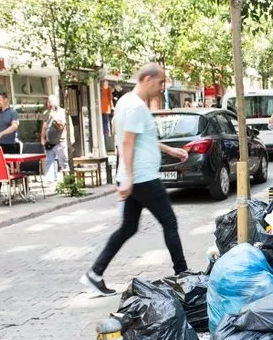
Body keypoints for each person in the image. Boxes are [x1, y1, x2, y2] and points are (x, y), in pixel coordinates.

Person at [81, 63, 190, 296]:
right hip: (143, 178)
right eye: (161, 83)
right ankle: (183, 275)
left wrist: (170, 151)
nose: (162, 88)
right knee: (169, 222)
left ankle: (95, 273)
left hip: (136, 177)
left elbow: (140, 139)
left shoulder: (126, 102)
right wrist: (129, 178)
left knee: (128, 227)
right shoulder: (136, 107)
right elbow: (128, 142)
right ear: (148, 79)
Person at [0, 93, 20, 196]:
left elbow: (14, 126)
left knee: (15, 167)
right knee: (0, 166)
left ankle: (21, 188)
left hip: (11, 144)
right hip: (0, 144)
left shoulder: (13, 112)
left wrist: (1, 134)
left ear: (6, 100)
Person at [40, 95, 70, 185]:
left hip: (60, 141)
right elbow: (44, 126)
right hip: (49, 141)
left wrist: (54, 116)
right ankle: (50, 180)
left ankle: (68, 181)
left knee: (63, 162)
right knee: (49, 161)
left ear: (56, 102)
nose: (50, 104)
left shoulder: (62, 112)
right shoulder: (47, 113)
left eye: (51, 101)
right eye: (49, 102)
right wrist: (42, 138)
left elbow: (61, 125)